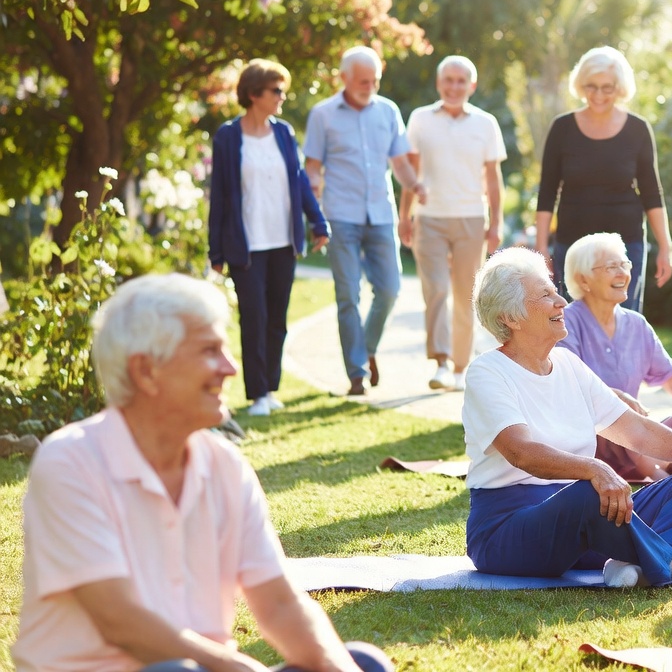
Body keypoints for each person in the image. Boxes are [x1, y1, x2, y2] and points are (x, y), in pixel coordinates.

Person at [13, 274, 394, 672]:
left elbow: (281, 603)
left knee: (361, 663)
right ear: (146, 371)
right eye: (210, 351)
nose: (230, 367)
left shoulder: (224, 466)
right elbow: (120, 621)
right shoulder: (70, 463)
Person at [462, 247, 672, 587]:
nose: (562, 302)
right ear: (510, 318)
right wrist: (594, 468)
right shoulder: (487, 371)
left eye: (556, 291)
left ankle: (639, 565)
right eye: (546, 295)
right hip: (508, 531)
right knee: (587, 493)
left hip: (583, 520)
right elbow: (521, 452)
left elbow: (637, 431)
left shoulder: (569, 365)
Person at [209, 58, 329, 417]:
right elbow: (219, 194)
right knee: (254, 317)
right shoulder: (228, 137)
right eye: (276, 91)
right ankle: (258, 393)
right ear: (253, 94)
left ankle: (270, 388)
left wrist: (318, 223)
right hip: (245, 247)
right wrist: (215, 249)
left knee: (277, 317)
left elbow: (300, 183)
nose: (282, 97)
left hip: (283, 242)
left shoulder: (284, 133)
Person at [304, 46, 427, 396]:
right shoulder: (323, 115)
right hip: (340, 215)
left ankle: (367, 349)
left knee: (390, 289)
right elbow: (312, 166)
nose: (369, 86)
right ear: (343, 78)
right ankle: (356, 374)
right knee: (348, 295)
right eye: (362, 81)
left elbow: (400, 162)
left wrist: (414, 184)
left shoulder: (387, 111)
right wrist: (313, 205)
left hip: (381, 213)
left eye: (374, 81)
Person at [558, 232, 672, 481]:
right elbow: (568, 384)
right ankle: (665, 475)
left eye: (624, 264)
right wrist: (616, 398)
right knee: (620, 416)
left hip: (638, 441)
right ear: (583, 280)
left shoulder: (637, 324)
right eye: (611, 266)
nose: (622, 273)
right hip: (592, 439)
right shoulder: (567, 321)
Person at [534, 46, 672, 313]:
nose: (598, 95)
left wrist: (666, 247)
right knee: (573, 327)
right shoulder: (562, 128)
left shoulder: (637, 129)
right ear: (580, 85)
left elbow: (651, 192)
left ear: (619, 87)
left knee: (623, 324)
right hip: (572, 244)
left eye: (607, 87)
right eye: (591, 86)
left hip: (625, 245)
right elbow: (547, 191)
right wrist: (542, 248)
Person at [399, 56, 506, 392]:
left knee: (465, 295)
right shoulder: (419, 119)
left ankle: (461, 368)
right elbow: (410, 173)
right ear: (438, 83)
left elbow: (493, 179)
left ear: (471, 86)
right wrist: (405, 216)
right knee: (435, 290)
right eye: (449, 80)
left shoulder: (486, 124)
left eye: (462, 81)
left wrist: (496, 224)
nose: (454, 86)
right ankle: (441, 362)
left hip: (471, 218)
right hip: (429, 219)